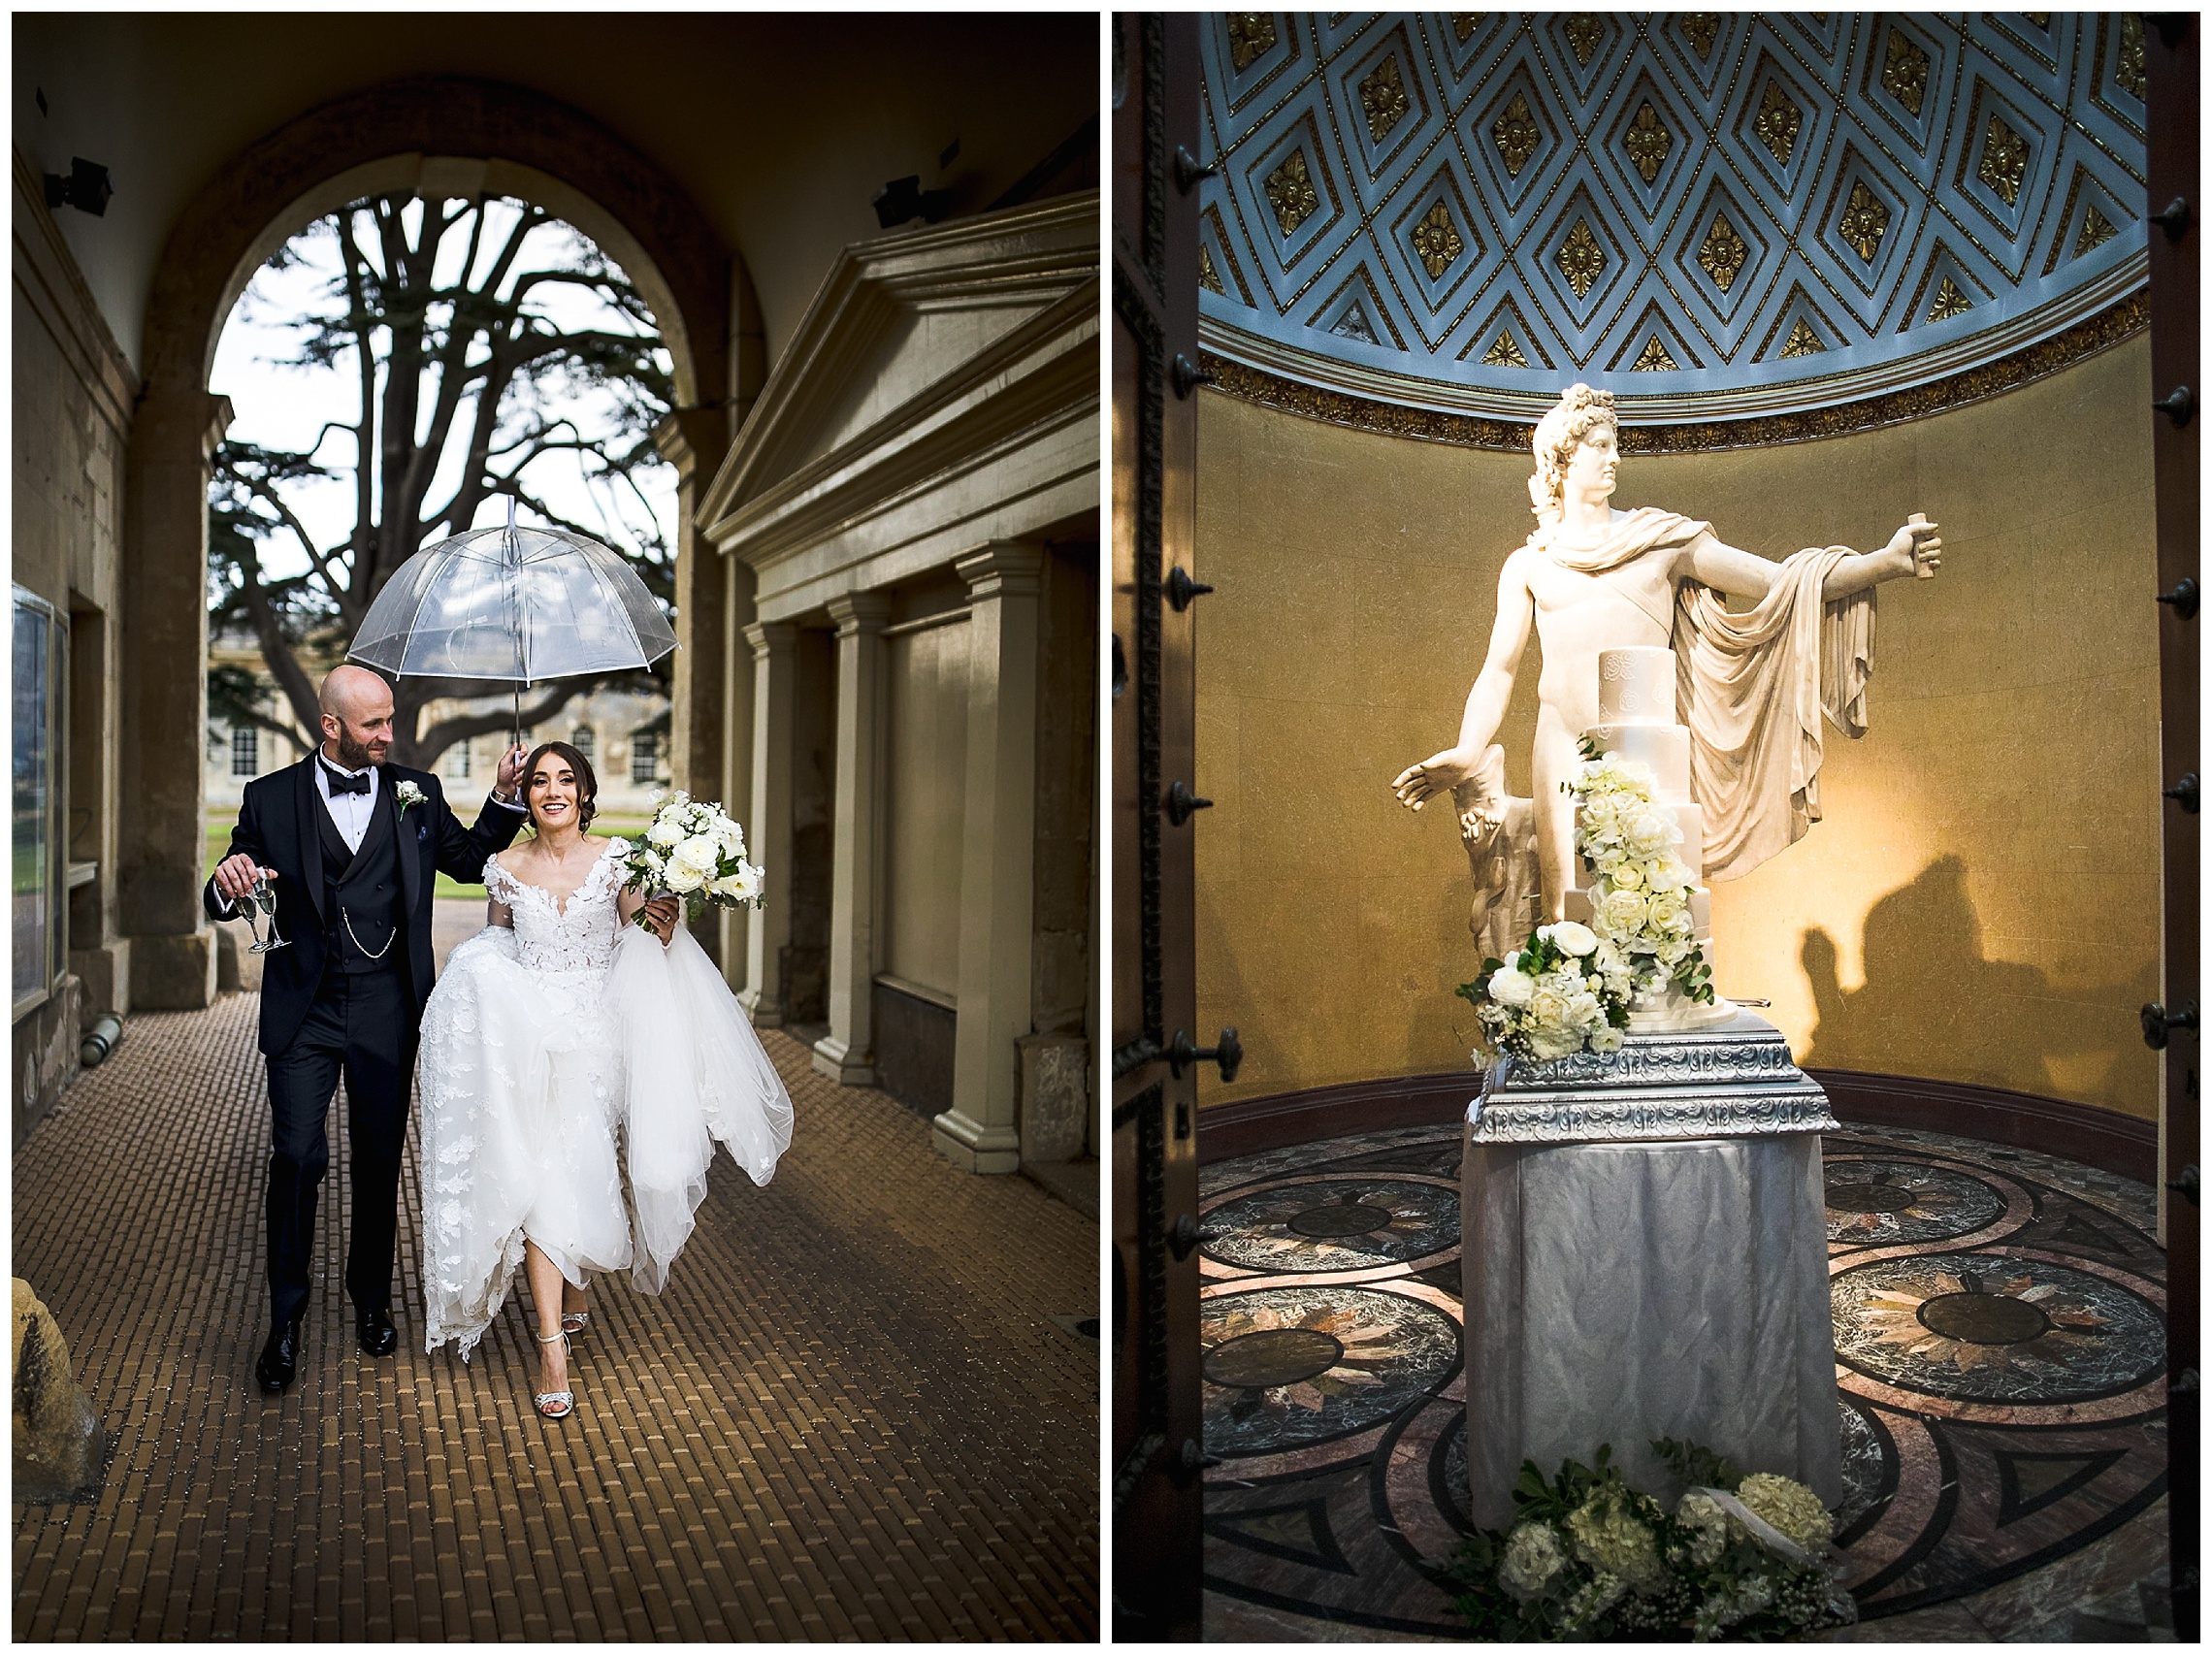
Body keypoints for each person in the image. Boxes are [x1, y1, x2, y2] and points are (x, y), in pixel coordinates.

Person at [1392, 383, 1943, 916]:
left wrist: (1883, 563)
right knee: (1564, 911)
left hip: (1644, 748)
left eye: (1616, 445)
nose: (1614, 459)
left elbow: (1777, 581)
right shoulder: (1531, 563)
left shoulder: (1660, 540)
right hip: (1559, 740)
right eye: (1600, 445)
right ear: (1563, 457)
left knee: (1650, 904)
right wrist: (1468, 751)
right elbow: (1499, 671)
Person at [416, 741, 794, 1419]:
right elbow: (495, 949)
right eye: (538, 780)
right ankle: (550, 1347)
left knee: (581, 1170)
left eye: (565, 779)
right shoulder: (502, 868)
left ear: (584, 793)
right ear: (526, 795)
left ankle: (574, 1281)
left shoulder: (619, 863)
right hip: (532, 1041)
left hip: (596, 1037)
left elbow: (640, 940)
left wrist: (665, 925)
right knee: (539, 1179)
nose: (551, 789)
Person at [205, 664, 530, 1393]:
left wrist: (505, 798)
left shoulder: (418, 792)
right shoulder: (270, 797)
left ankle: (371, 1300)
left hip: (390, 1005)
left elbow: (475, 863)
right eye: (374, 724)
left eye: (390, 720)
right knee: (295, 1157)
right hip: (305, 1008)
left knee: (379, 1159)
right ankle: (284, 1319)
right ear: (331, 727)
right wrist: (225, 883)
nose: (390, 734)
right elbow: (228, 883)